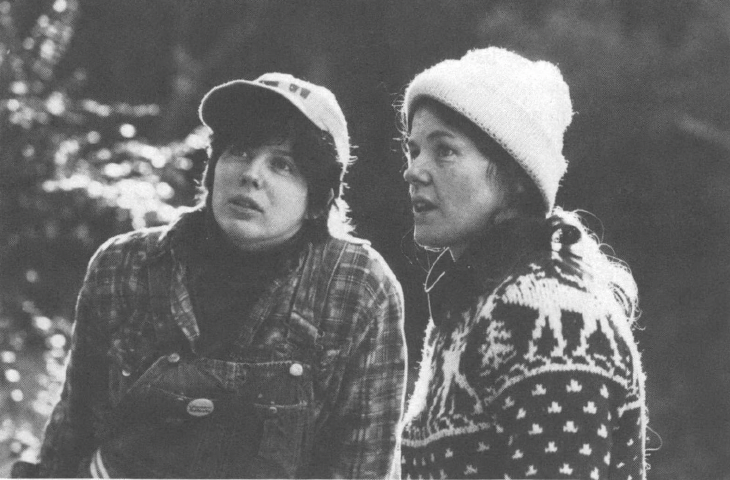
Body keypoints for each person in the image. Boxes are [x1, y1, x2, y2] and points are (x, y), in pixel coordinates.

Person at [17, 73, 407, 478]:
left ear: (318, 198)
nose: (251, 174)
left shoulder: (356, 286)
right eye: (239, 151)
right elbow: (71, 432)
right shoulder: (124, 264)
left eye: (283, 165)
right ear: (213, 167)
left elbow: (364, 466)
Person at [397, 48, 646, 479]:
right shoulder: (472, 307)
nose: (414, 171)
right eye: (414, 150)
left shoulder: (545, 312)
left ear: (514, 177)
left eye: (445, 151)